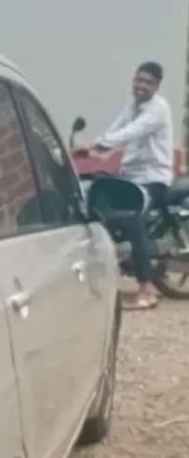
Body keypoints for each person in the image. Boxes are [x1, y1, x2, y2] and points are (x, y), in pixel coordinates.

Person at [93, 61, 173, 310]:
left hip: (153, 178)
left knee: (132, 218)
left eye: (148, 82)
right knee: (97, 201)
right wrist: (94, 148)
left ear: (157, 86)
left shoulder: (158, 109)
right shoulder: (131, 107)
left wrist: (103, 144)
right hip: (131, 176)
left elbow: (133, 132)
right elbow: (116, 129)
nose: (141, 86)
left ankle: (147, 288)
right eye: (139, 80)